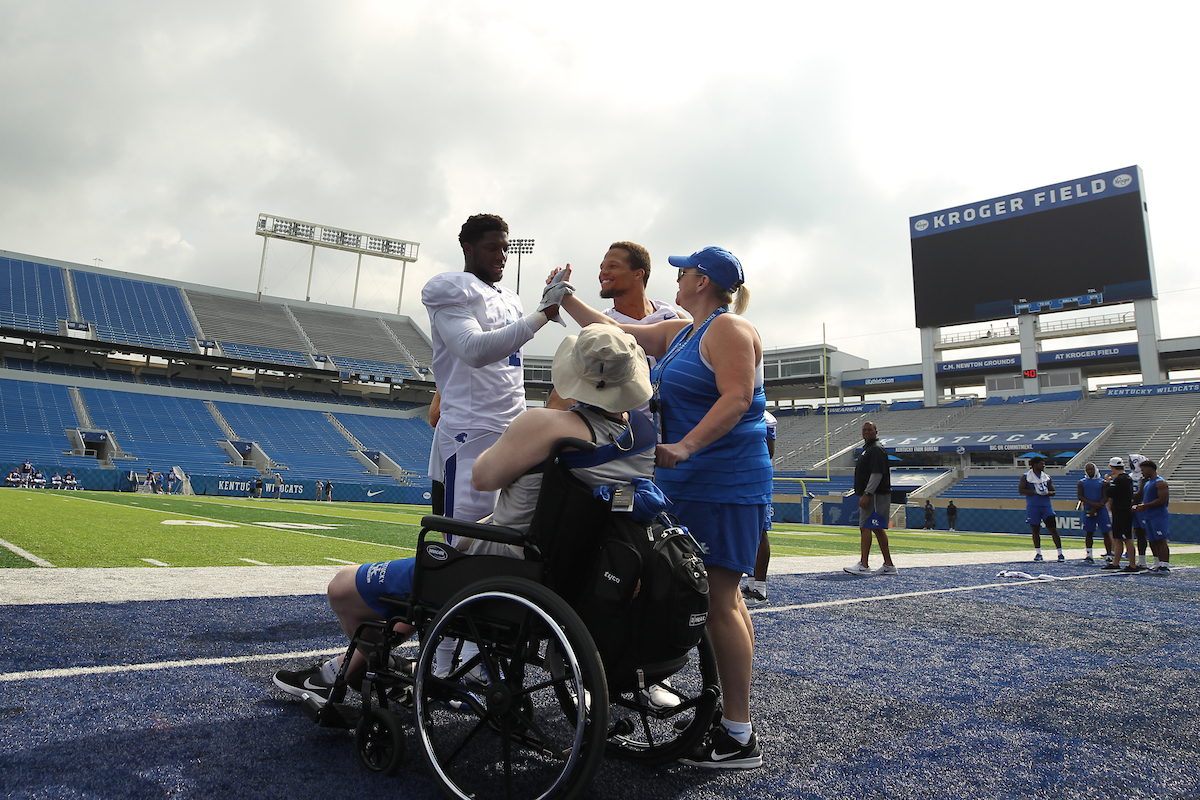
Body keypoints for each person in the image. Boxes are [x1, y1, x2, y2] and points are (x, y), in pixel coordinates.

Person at [273, 327, 656, 703]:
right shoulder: (643, 434)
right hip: (585, 575)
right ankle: (348, 667)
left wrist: (532, 423)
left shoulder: (547, 426)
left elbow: (482, 477)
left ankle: (353, 669)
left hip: (508, 567)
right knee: (417, 602)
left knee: (344, 588)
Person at [559, 244, 766, 770]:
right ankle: (728, 719)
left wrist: (687, 446)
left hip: (722, 482)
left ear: (703, 281)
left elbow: (738, 396)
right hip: (694, 483)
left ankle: (738, 734)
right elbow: (617, 330)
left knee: (718, 600)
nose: (677, 278)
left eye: (685, 271)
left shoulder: (729, 330)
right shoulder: (686, 331)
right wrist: (567, 299)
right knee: (722, 598)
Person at [421, 213, 563, 525]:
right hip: (470, 431)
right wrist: (542, 316)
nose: (501, 257)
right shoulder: (451, 288)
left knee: (504, 538)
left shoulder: (511, 299)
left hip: (511, 431)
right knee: (463, 542)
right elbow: (473, 350)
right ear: (468, 248)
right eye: (492, 248)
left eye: (505, 249)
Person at [547, 241, 682, 412]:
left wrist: (565, 298)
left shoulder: (671, 315)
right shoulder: (599, 334)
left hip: (674, 430)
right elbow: (567, 391)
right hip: (628, 432)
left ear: (638, 274)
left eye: (613, 266)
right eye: (601, 267)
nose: (603, 272)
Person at [845, 421, 897, 576]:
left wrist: (867, 494)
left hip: (875, 494)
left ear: (876, 431)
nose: (866, 432)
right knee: (876, 528)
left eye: (870, 429)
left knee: (866, 526)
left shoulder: (875, 449)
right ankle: (888, 564)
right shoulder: (868, 449)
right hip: (874, 494)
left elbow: (877, 473)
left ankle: (864, 564)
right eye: (864, 430)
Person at [743, 410, 776, 608]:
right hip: (740, 476)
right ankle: (750, 583)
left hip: (755, 478)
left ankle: (760, 588)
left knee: (759, 531)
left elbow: (769, 452)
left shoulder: (766, 418)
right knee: (745, 533)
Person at [1019, 456, 1061, 562]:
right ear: (1035, 464)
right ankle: (1038, 553)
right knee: (1035, 530)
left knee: (1053, 529)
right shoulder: (1026, 477)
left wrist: (1046, 493)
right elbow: (1021, 490)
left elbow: (1054, 492)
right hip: (1033, 506)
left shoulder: (1047, 477)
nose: (1043, 465)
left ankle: (1060, 553)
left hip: (1046, 506)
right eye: (1041, 464)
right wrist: (1035, 492)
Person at [1134, 460, 1171, 574]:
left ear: (1150, 469)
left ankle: (1165, 565)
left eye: (1143, 470)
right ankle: (1158, 563)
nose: (1142, 473)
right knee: (1153, 540)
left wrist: (1145, 506)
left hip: (1158, 515)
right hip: (1149, 515)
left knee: (1161, 540)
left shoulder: (1160, 482)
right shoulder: (1147, 483)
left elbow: (1162, 500)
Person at [1103, 457, 1137, 572]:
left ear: (1112, 467)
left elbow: (1110, 493)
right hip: (1122, 511)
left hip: (1122, 511)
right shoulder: (1126, 479)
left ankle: (1132, 564)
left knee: (1126, 538)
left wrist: (1107, 483)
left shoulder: (1121, 479)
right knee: (1118, 538)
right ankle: (1116, 562)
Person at [1076, 462, 1112, 564]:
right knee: (1089, 533)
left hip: (1101, 510)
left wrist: (1097, 506)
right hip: (1088, 509)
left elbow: (1106, 497)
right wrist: (1093, 505)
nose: (1090, 471)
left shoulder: (1102, 483)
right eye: (1088, 470)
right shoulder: (1081, 482)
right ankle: (1089, 555)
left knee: (1106, 532)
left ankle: (1109, 555)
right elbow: (1080, 497)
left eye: (1091, 469)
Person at [1129, 453, 1150, 570]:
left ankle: (1159, 562)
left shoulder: (1146, 477)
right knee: (1138, 533)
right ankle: (1142, 560)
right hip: (1134, 508)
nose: (1130, 465)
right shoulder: (1130, 476)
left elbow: (1140, 495)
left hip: (1144, 508)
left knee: (1148, 535)